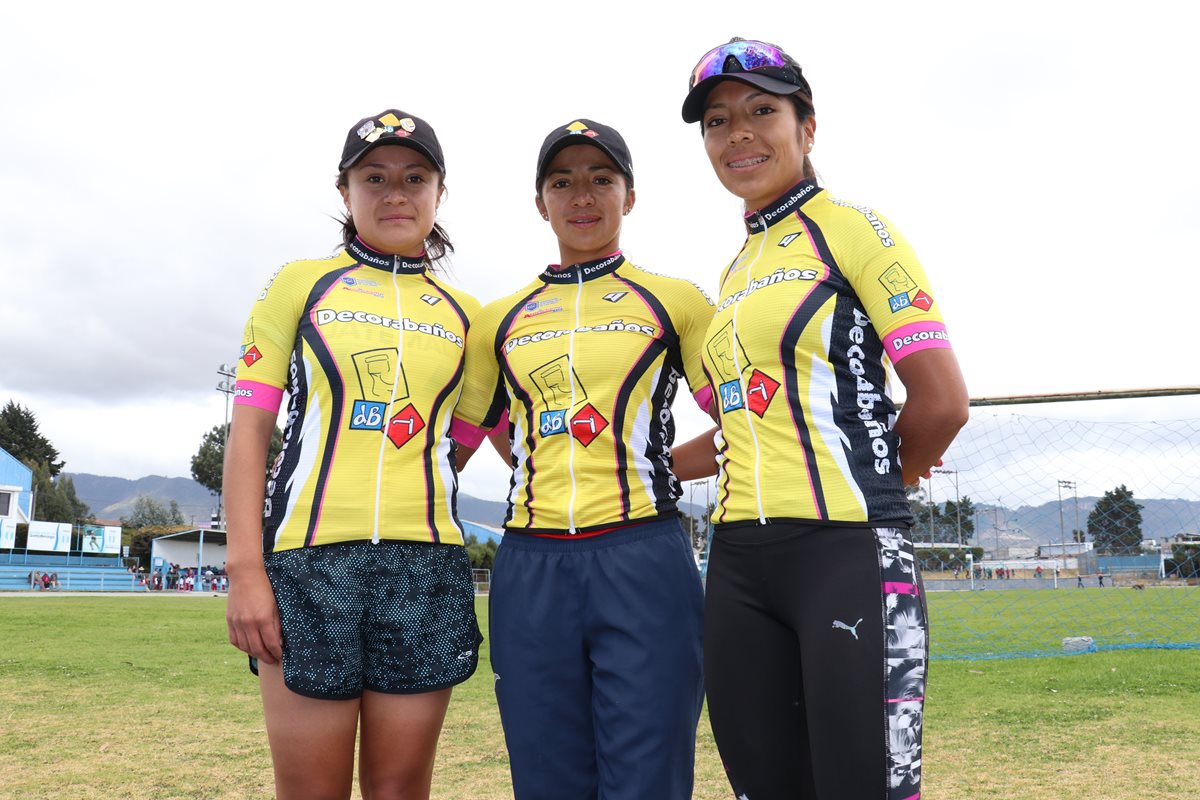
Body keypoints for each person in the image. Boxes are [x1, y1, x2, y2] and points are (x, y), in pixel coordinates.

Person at [680, 39, 969, 800]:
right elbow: (755, 424)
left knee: (861, 788)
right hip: (737, 564)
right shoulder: (736, 271)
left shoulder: (856, 230)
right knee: (764, 786)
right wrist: (650, 467)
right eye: (717, 121)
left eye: (762, 111)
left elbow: (941, 403)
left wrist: (874, 482)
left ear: (808, 127)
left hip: (845, 552)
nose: (738, 133)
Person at [223, 109, 482, 800]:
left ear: (439, 191)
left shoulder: (468, 314)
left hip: (425, 569)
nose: (395, 193)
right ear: (345, 191)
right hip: (308, 566)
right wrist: (246, 569)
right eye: (375, 178)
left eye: (414, 178)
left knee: (400, 792)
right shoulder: (298, 284)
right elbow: (248, 431)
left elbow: (480, 428)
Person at [452, 119, 714, 800]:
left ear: (631, 196)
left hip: (643, 559)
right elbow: (463, 440)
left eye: (602, 179)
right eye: (562, 182)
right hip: (530, 567)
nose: (583, 196)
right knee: (546, 780)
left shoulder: (677, 301)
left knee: (647, 778)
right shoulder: (500, 317)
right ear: (540, 202)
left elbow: (745, 427)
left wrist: (652, 469)